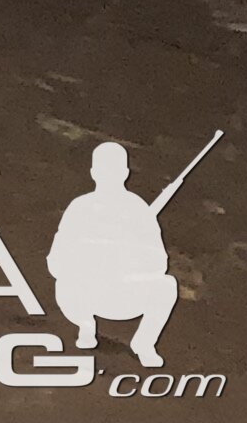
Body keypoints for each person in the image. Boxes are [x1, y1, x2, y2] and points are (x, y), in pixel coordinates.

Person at [48, 142, 183, 369]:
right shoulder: (79, 207)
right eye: (104, 170)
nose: (108, 176)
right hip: (86, 293)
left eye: (113, 170)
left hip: (125, 294)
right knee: (64, 284)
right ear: (94, 173)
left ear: (125, 173)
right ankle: (86, 325)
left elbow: (160, 262)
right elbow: (56, 260)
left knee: (167, 285)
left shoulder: (139, 210)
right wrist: (87, 262)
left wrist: (130, 257)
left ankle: (144, 343)